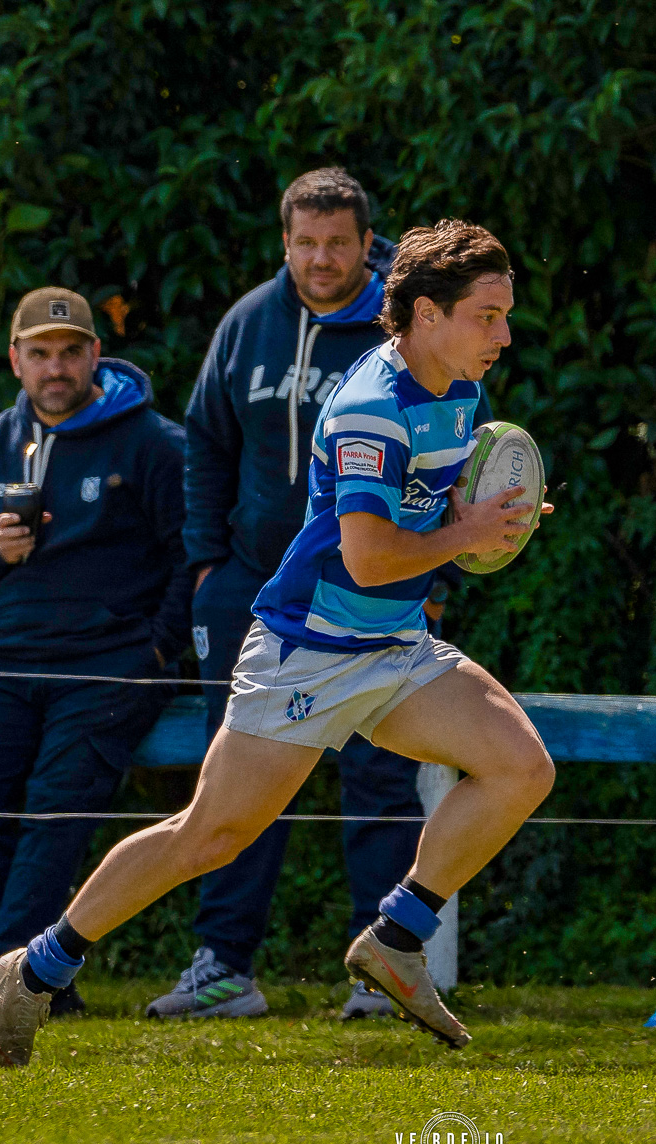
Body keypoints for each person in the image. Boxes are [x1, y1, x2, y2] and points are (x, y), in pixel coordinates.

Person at [0, 220, 555, 1067]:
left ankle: (398, 936)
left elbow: (431, 518)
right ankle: (35, 967)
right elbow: (368, 554)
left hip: (391, 643)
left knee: (521, 765)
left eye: (507, 316)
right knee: (208, 835)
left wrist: (489, 523)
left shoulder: (460, 391)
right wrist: (459, 533)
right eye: (489, 315)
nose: (505, 335)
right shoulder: (372, 408)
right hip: (308, 653)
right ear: (427, 314)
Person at [169, 167, 487, 1021]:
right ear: (285, 242)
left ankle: (375, 971)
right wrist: (208, 568)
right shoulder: (246, 325)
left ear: (365, 243)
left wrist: (436, 578)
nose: (320, 258)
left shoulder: (407, 338)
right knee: (233, 799)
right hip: (253, 591)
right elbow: (204, 444)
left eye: (337, 242)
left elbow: (449, 474)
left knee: (381, 784)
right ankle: (224, 964)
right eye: (305, 242)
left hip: (378, 596)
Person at [0, 288, 190, 1019]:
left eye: (71, 352)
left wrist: (161, 651)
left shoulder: (153, 441)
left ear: (96, 355)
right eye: (39, 353)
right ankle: (40, 979)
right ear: (15, 360)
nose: (56, 367)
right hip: (5, 659)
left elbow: (192, 555)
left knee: (55, 805)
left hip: (110, 662)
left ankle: (0, 975)